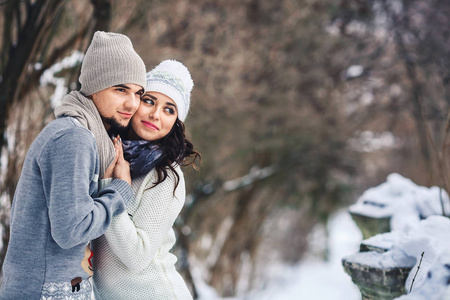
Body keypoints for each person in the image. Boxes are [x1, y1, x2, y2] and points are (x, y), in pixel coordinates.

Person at [0, 31, 146, 300]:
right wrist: (119, 191)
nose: (132, 103)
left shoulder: (90, 137)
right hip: (44, 292)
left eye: (138, 93)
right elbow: (72, 231)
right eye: (120, 89)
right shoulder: (74, 138)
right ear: (94, 86)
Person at [92, 60, 200, 300]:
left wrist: (113, 188)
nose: (155, 114)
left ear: (175, 123)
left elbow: (137, 257)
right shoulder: (106, 151)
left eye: (169, 109)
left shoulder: (165, 177)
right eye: (149, 100)